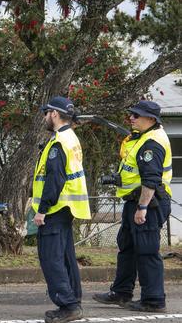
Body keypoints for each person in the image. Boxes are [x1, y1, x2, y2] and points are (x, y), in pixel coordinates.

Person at [93, 101, 172, 313]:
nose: (132, 118)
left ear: (151, 119)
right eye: (132, 114)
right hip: (134, 201)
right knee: (126, 247)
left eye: (137, 115)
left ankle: (153, 300)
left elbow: (151, 180)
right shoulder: (143, 137)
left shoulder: (151, 144)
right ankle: (121, 292)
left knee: (147, 252)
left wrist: (143, 207)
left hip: (148, 203)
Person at [32, 96, 91, 323]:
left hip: (55, 208)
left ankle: (68, 305)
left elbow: (54, 179)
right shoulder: (70, 138)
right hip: (67, 207)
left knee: (51, 258)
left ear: (54, 114)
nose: (45, 117)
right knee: (65, 256)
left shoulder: (58, 143)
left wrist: (42, 210)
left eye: (46, 113)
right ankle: (73, 298)